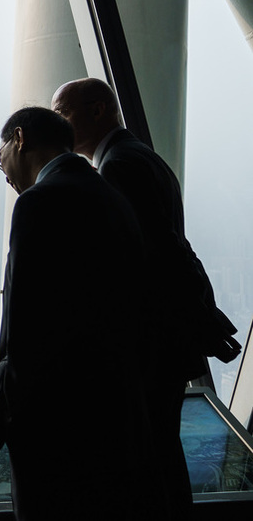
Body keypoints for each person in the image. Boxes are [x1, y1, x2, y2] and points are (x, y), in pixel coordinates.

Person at [51, 77, 239, 519]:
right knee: (160, 450)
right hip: (167, 338)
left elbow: (139, 261)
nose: (57, 124)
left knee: (146, 455)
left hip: (149, 342)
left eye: (63, 113)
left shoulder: (118, 166)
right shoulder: (138, 157)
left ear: (97, 110)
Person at [0, 107, 161, 520]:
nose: (2, 169)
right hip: (115, 413)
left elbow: (25, 325)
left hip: (55, 420)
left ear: (19, 139)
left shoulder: (39, 201)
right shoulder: (112, 196)